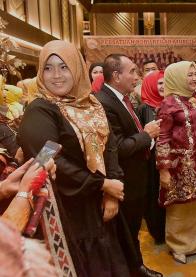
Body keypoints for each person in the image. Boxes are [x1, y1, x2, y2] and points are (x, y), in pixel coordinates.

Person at [18, 40, 135, 277]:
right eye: (48, 68)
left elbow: (109, 145)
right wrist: (101, 184)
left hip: (100, 204)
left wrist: (112, 189)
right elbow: (49, 159)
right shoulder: (40, 110)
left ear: (77, 68)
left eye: (64, 67)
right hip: (68, 208)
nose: (56, 76)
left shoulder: (91, 103)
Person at [96, 53, 162, 277]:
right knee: (124, 231)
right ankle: (133, 269)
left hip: (134, 179)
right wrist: (146, 135)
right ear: (116, 76)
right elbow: (117, 147)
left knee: (130, 230)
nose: (137, 76)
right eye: (132, 71)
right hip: (123, 180)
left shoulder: (123, 99)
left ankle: (136, 267)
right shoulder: (104, 102)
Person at [156, 61, 196, 264]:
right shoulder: (168, 104)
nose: (194, 79)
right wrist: (163, 169)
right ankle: (179, 246)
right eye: (189, 75)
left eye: (195, 74)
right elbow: (163, 137)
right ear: (177, 77)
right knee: (180, 206)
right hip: (181, 165)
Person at [137, 70, 166, 244]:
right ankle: (157, 231)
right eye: (159, 83)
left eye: (165, 82)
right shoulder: (143, 108)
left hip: (169, 159)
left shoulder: (172, 103)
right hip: (150, 160)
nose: (162, 86)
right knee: (153, 194)